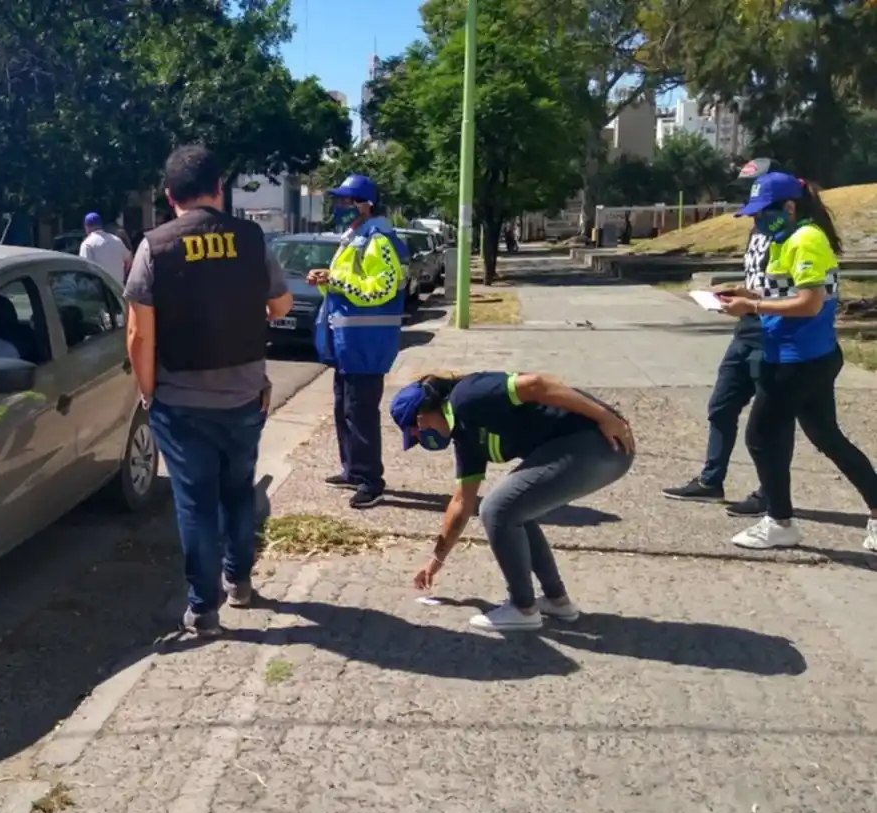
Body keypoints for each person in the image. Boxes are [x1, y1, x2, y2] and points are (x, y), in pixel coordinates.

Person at [124, 144, 294, 636]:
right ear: (219, 188)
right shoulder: (251, 239)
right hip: (245, 396)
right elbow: (281, 306)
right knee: (238, 492)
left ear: (169, 195)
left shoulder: (154, 247)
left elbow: (138, 335)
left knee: (196, 503)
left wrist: (148, 392)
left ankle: (203, 609)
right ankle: (238, 582)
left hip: (180, 403)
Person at [391, 370, 635, 631]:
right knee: (515, 508)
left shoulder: (467, 397)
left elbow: (536, 384)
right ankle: (557, 600)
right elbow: (461, 503)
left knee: (496, 509)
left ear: (421, 418)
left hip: (600, 441)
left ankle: (522, 608)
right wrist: (436, 560)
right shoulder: (465, 437)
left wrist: (606, 417)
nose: (421, 438)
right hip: (596, 451)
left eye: (416, 433)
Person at [714, 171, 877, 551]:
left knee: (761, 435)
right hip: (803, 355)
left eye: (763, 213)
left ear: (789, 207)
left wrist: (752, 307)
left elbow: (809, 303)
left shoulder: (806, 239)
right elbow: (783, 291)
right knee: (826, 437)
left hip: (798, 358)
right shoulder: (784, 238)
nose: (758, 221)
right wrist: (744, 293)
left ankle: (779, 521)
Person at [662, 158, 781, 517]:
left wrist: (753, 301)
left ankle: (772, 493)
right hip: (745, 331)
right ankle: (711, 481)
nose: (750, 198)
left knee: (770, 423)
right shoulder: (758, 228)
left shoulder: (789, 232)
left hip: (773, 334)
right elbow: (760, 279)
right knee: (721, 406)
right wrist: (737, 293)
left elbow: (793, 291)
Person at [306, 174, 409, 509]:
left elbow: (381, 289)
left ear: (366, 204)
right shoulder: (354, 237)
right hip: (348, 343)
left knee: (361, 413)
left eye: (346, 201)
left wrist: (335, 280)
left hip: (367, 344)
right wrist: (326, 280)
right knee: (345, 409)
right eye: (339, 200)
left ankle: (370, 481)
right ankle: (352, 468)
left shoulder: (378, 240)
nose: (340, 206)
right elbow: (346, 287)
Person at [78, 212, 133, 284]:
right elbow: (129, 260)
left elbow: (85, 268)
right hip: (118, 287)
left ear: (86, 227)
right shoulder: (117, 240)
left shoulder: (87, 244)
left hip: (100, 288)